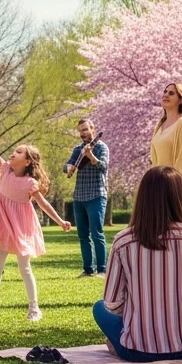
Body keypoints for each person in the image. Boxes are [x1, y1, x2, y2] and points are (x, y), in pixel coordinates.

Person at [93, 166, 182, 361]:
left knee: (99, 307)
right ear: (180, 198)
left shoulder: (123, 241)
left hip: (138, 351)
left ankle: (121, 341)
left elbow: (112, 303)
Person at [0, 116, 72, 322]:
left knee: (24, 267)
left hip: (21, 226)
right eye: (14, 151)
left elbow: (43, 204)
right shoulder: (4, 169)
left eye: (18, 152)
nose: (12, 153)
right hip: (2, 223)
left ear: (27, 162)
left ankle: (34, 308)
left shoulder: (30, 183)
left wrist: (60, 221)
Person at [149, 82, 182, 228]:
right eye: (165, 91)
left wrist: (170, 191)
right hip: (157, 188)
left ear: (181, 100)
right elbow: (154, 161)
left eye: (171, 93)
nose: (165, 95)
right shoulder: (159, 125)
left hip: (175, 188)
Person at [64, 117, 110, 277]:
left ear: (93, 129)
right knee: (83, 235)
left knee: (97, 233)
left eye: (85, 130)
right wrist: (68, 167)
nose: (82, 133)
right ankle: (88, 269)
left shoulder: (102, 148)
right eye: (80, 131)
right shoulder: (78, 149)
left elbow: (103, 167)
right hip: (79, 196)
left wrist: (90, 156)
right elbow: (68, 164)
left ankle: (102, 269)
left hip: (97, 195)